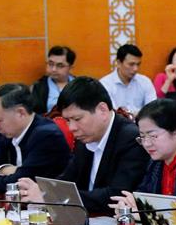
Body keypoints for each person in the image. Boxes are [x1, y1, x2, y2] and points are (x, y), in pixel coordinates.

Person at [19, 76, 149, 212]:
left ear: (102, 110)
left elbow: (116, 196)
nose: (71, 128)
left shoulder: (132, 139)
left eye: (77, 119)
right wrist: (44, 190)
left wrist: (52, 197)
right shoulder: (85, 137)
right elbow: (68, 181)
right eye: (67, 120)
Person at [0, 84, 71, 192]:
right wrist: (3, 170)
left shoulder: (47, 136)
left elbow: (22, 179)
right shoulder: (10, 134)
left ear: (21, 113)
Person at [99, 44, 156, 114]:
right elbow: (112, 113)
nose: (135, 69)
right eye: (131, 64)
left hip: (142, 120)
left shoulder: (145, 81)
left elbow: (152, 110)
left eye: (138, 64)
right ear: (119, 63)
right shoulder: (105, 84)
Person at [31, 45, 75, 114]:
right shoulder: (38, 87)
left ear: (70, 67)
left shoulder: (80, 85)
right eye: (50, 64)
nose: (54, 69)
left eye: (60, 65)